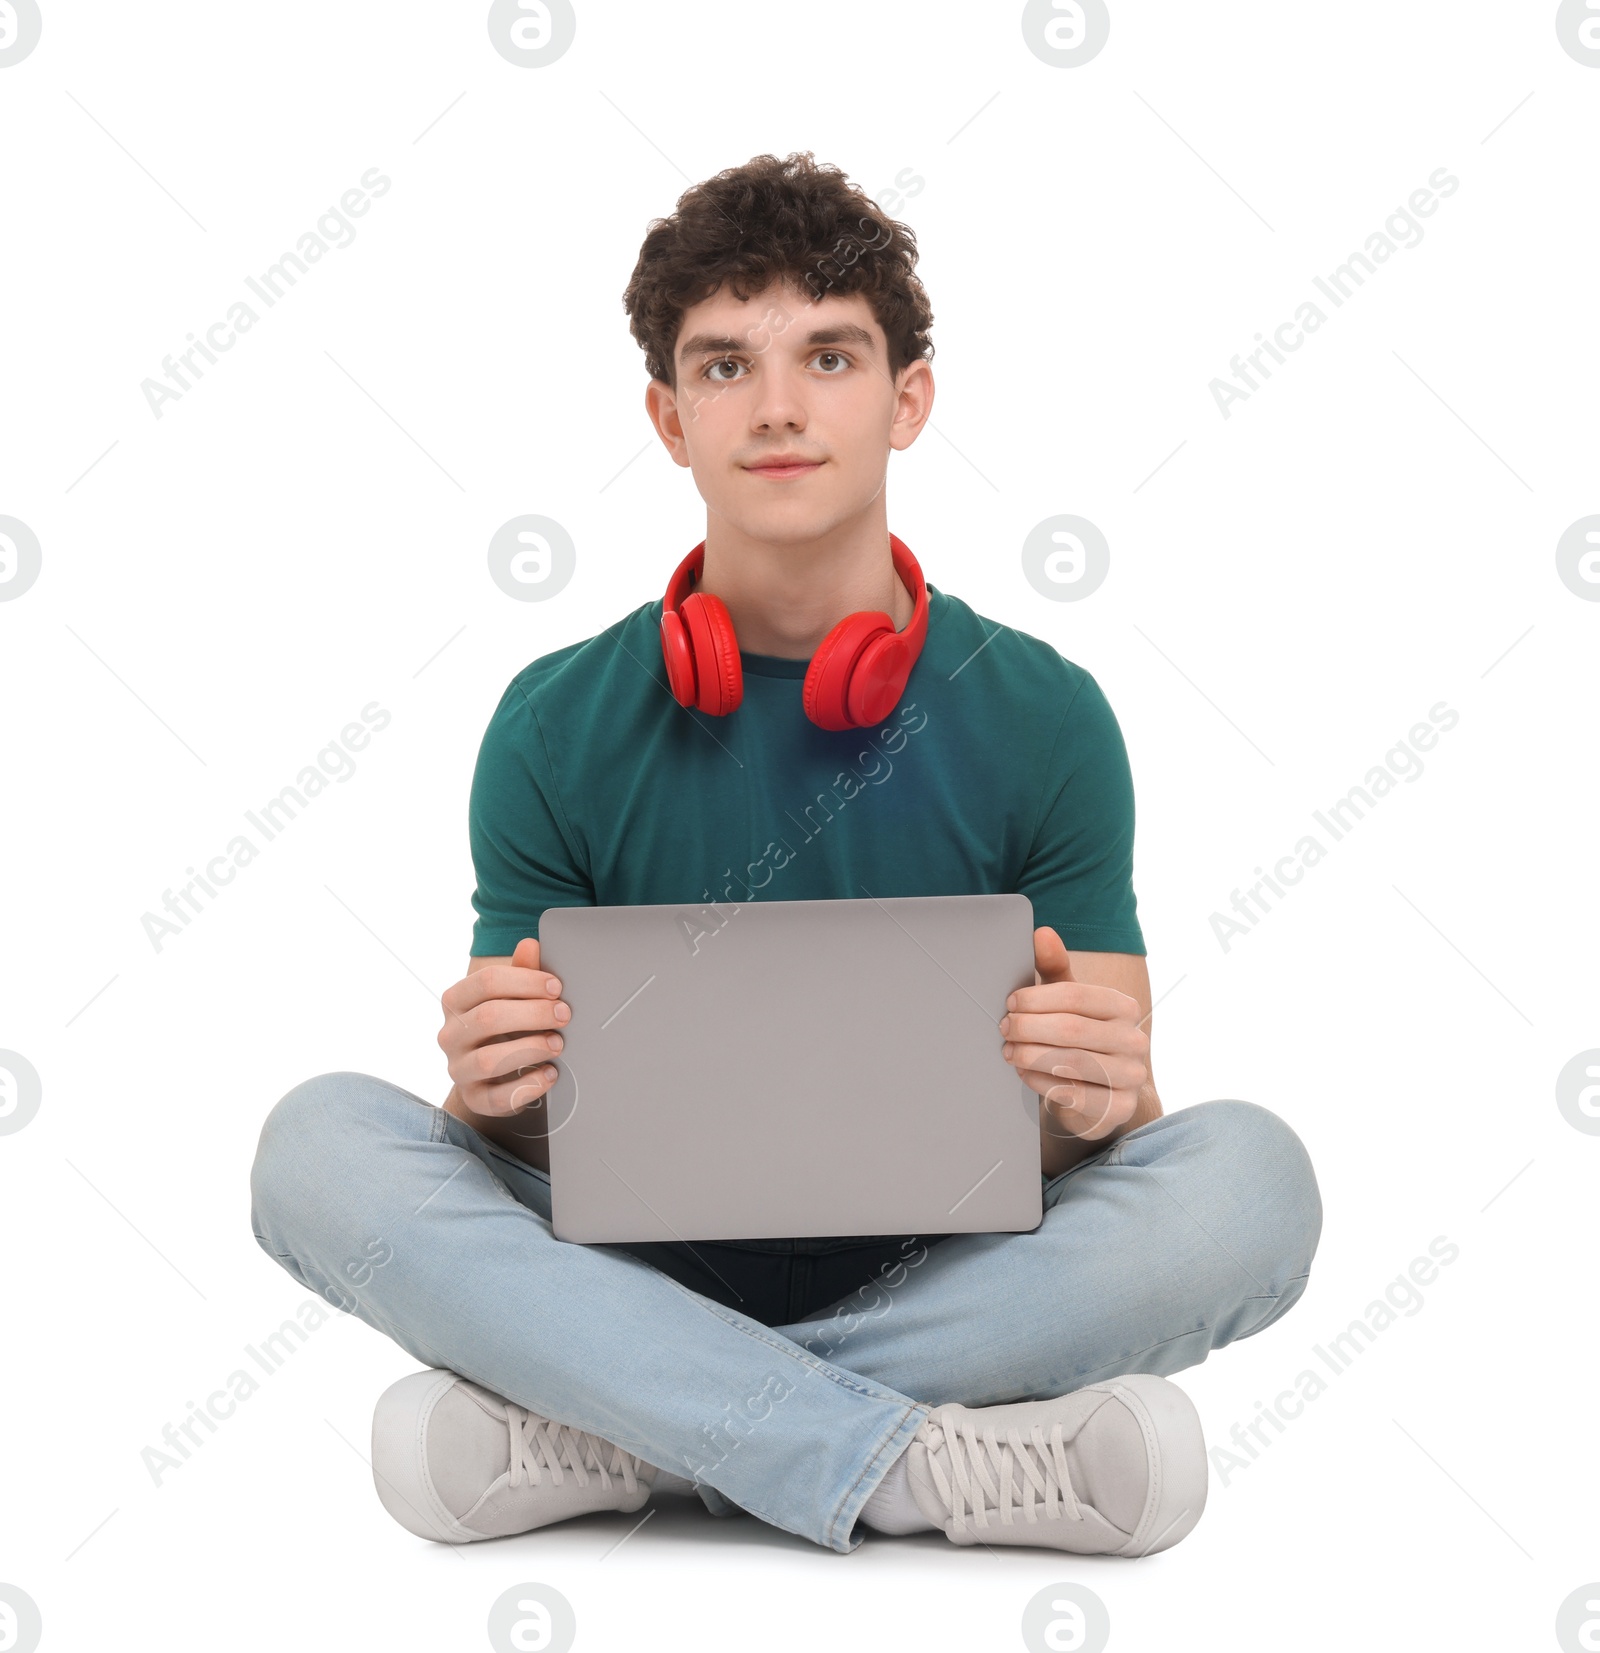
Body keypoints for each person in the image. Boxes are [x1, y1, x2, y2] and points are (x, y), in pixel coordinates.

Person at [249, 151, 1321, 1557]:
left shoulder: (1046, 710)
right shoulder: (551, 718)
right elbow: (532, 1137)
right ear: (667, 416)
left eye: (827, 353)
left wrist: (1102, 1088)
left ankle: (630, 1429)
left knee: (1252, 1180)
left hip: (952, 1260)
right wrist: (496, 1091)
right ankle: (911, 1460)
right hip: (623, 1254)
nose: (777, 406)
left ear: (907, 398)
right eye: (723, 365)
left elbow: (1104, 1121)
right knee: (316, 1147)